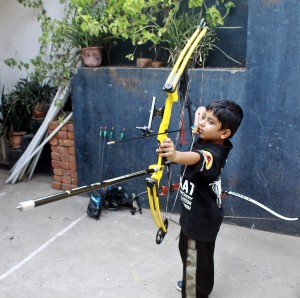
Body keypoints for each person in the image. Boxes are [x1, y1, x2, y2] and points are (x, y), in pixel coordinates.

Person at [157, 100, 243, 298]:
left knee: (195, 259)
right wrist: (204, 114)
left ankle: (195, 290)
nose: (202, 123)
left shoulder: (213, 153)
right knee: (190, 255)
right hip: (192, 216)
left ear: (225, 133)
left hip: (202, 221)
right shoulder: (208, 137)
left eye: (210, 122)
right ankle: (193, 280)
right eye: (203, 119)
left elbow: (199, 158)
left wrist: (175, 155)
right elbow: (204, 116)